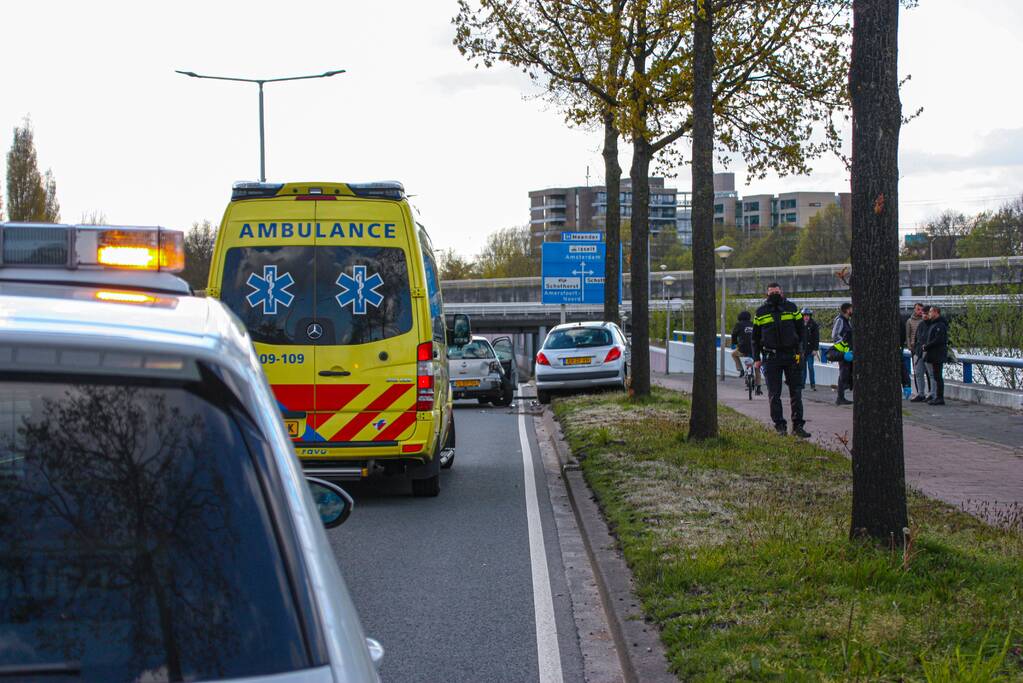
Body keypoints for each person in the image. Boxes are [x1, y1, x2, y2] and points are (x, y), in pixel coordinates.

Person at [752, 282, 810, 438]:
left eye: (776, 292)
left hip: (792, 356)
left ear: (782, 292)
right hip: (771, 357)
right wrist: (756, 358)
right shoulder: (761, 312)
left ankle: (798, 426)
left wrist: (801, 350)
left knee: (796, 392)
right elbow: (755, 338)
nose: (774, 295)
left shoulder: (792, 308)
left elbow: (801, 330)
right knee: (774, 393)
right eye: (771, 293)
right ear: (767, 294)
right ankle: (780, 426)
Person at [922, 305, 948, 406]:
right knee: (936, 376)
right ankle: (937, 396)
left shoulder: (940, 325)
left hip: (938, 354)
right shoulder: (934, 324)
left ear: (936, 312)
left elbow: (938, 340)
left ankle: (939, 397)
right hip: (933, 354)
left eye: (931, 312)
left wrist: (927, 346)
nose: (929, 313)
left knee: (938, 376)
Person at [730, 311, 762, 394]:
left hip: (742, 349)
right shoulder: (754, 324)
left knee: (733, 354)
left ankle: (741, 370)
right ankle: (758, 388)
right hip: (754, 349)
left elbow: (734, 335)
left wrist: (735, 343)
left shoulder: (739, 325)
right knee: (757, 367)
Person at [832, 303, 854, 405]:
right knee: (843, 373)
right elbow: (835, 335)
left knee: (846, 373)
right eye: (851, 309)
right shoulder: (840, 320)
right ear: (847, 310)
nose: (852, 311)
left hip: (848, 351)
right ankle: (840, 398)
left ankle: (841, 396)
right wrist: (844, 348)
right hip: (844, 352)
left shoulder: (847, 321)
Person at [906, 303, 929, 401]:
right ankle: (919, 392)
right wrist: (910, 346)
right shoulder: (910, 321)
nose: (920, 311)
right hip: (914, 348)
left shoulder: (924, 322)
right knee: (917, 371)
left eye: (921, 309)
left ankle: (929, 392)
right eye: (918, 309)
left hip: (924, 348)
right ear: (914, 310)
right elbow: (908, 334)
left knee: (928, 371)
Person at [911, 305, 934, 402]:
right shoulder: (921, 325)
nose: (924, 315)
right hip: (919, 352)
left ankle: (932, 393)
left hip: (929, 352)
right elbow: (917, 338)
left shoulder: (934, 325)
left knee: (931, 374)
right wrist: (916, 349)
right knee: (918, 373)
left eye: (926, 313)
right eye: (923, 313)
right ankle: (921, 393)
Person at [801, 308, 820, 391]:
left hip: (810, 350)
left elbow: (816, 338)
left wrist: (815, 349)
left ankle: (813, 385)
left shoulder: (813, 325)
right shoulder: (799, 325)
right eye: (805, 315)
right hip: (802, 350)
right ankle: (802, 384)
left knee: (810, 367)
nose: (806, 317)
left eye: (807, 315)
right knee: (802, 368)